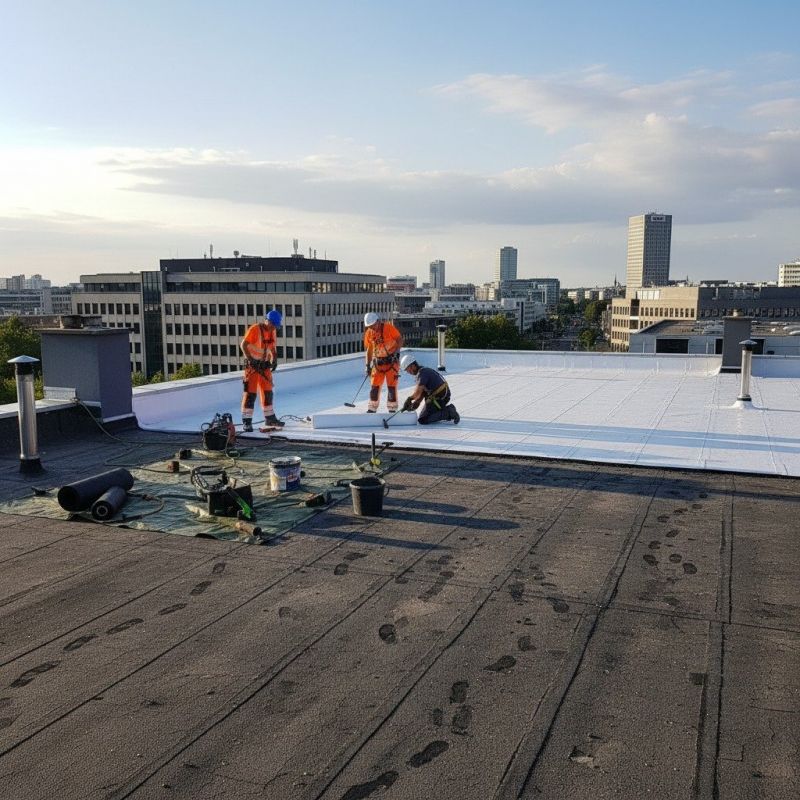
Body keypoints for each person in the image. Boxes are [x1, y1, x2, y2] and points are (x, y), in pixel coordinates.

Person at [240, 309, 284, 431]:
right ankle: (247, 421)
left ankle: (270, 418)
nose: (274, 328)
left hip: (264, 366)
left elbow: (273, 347)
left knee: (268, 392)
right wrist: (250, 360)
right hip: (252, 367)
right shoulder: (255, 329)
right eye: (273, 325)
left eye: (276, 326)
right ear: (267, 321)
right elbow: (243, 345)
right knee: (250, 393)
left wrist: (274, 359)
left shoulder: (273, 331)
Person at [400, 354, 460, 424]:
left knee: (423, 419)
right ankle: (442, 411)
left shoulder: (422, 374)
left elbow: (418, 392)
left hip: (441, 397)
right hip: (438, 396)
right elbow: (422, 393)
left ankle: (448, 412)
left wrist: (409, 399)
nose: (408, 372)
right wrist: (416, 404)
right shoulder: (422, 372)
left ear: (412, 365)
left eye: (408, 370)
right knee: (423, 417)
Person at [363, 312, 403, 413]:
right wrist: (367, 365)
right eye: (369, 326)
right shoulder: (369, 332)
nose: (372, 328)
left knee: (391, 387)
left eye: (373, 325)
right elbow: (369, 350)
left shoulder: (389, 328)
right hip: (378, 363)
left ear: (378, 321)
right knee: (374, 387)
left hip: (391, 362)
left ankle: (392, 409)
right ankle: (372, 408)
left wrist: (397, 354)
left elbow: (399, 340)